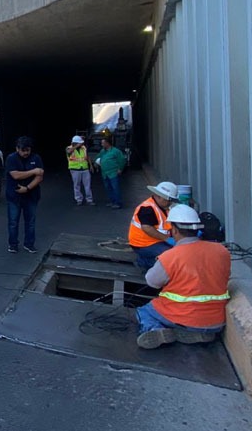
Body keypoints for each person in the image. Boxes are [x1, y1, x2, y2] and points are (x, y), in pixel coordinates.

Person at [135, 204, 232, 349]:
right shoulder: (222, 251)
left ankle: (155, 329)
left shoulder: (170, 256)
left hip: (183, 316)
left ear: (174, 230)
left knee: (143, 311)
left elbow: (152, 282)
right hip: (216, 321)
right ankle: (202, 334)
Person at [127, 180, 178, 270]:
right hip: (143, 244)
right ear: (159, 197)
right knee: (169, 257)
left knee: (176, 253)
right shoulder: (147, 208)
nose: (170, 202)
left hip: (155, 241)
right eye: (168, 200)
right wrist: (166, 239)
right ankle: (143, 261)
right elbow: (147, 228)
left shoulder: (163, 206)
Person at [5, 136, 44, 253]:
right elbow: (16, 175)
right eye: (23, 150)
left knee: (30, 222)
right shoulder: (11, 159)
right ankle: (13, 244)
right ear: (17, 149)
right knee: (13, 222)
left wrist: (27, 188)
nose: (26, 153)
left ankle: (29, 244)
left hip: (31, 195)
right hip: (14, 196)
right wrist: (33, 171)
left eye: (28, 150)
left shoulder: (36, 158)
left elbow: (40, 176)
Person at [96, 137, 127, 209]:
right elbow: (98, 157)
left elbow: (122, 160)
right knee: (108, 188)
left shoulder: (116, 151)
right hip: (105, 173)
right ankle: (112, 201)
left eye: (103, 143)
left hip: (113, 173)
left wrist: (120, 169)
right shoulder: (103, 151)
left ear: (107, 143)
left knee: (115, 188)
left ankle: (118, 203)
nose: (102, 144)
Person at [65, 135, 95, 206]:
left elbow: (87, 157)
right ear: (75, 143)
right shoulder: (69, 148)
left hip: (85, 169)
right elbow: (69, 152)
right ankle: (79, 199)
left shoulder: (83, 148)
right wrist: (76, 145)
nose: (81, 144)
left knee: (87, 185)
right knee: (76, 185)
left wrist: (91, 165)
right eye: (80, 143)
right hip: (75, 170)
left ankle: (89, 199)